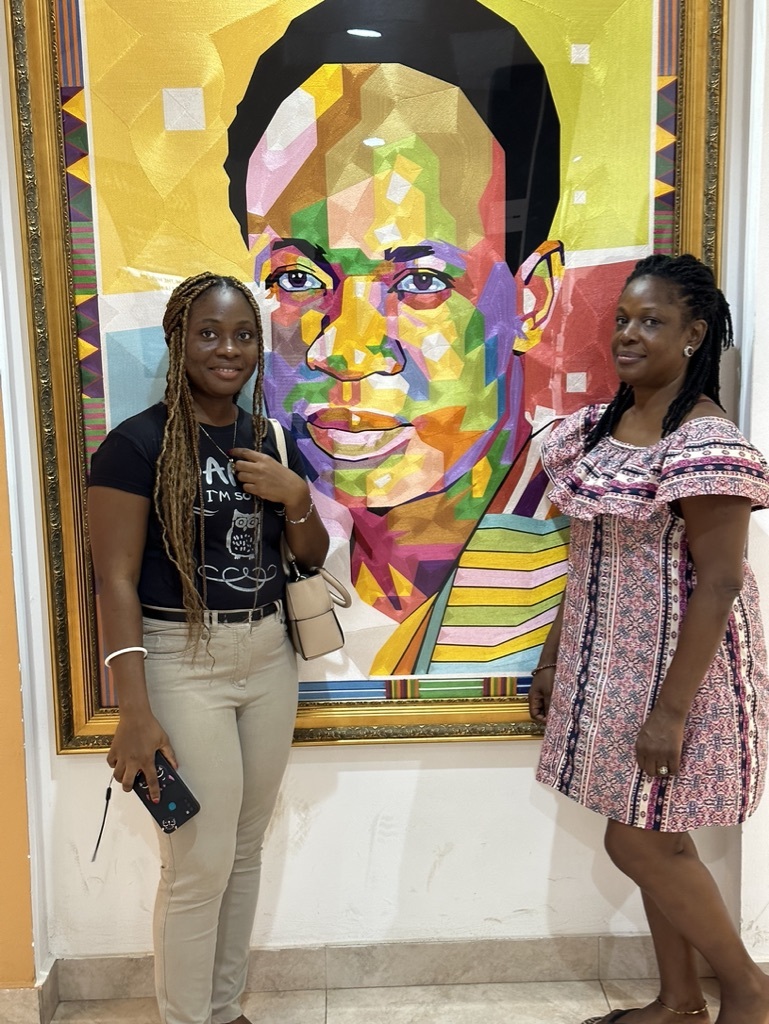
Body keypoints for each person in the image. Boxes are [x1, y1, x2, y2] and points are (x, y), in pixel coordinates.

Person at [224, 0, 576, 680]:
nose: (345, 351)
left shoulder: (586, 548)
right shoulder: (258, 528)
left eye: (420, 281)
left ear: (529, 300)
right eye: (296, 278)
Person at [529, 253, 769, 1024]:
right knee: (657, 840)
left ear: (693, 335)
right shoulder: (603, 428)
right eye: (622, 319)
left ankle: (748, 992)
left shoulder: (704, 443)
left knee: (636, 843)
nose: (627, 334)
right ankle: (678, 1000)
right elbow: (588, 555)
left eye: (651, 322)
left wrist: (670, 712)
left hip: (678, 677)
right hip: (607, 668)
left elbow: (720, 583)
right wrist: (551, 656)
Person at [88, 272, 329, 1024]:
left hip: (267, 654)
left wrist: (296, 497)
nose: (228, 349)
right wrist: (133, 713)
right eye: (209, 334)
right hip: (179, 660)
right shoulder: (135, 445)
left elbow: (310, 558)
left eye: (243, 335)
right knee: (198, 862)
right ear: (179, 341)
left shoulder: (268, 439)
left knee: (244, 849)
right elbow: (115, 583)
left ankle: (223, 1011)